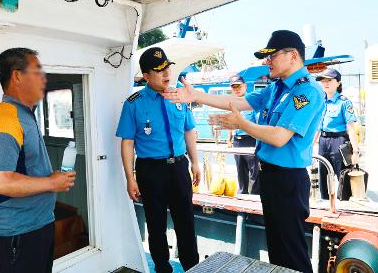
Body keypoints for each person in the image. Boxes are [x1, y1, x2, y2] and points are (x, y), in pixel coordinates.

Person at [162, 30, 324, 273]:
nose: (266, 61)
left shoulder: (306, 91)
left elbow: (280, 137)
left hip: (288, 181)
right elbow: (239, 102)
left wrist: (242, 125)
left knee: (292, 253)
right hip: (271, 177)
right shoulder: (277, 88)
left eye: (272, 56)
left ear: (292, 56)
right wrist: (196, 95)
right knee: (278, 250)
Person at [0, 48, 76, 273]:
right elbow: (1, 182)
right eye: (37, 72)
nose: (44, 79)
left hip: (38, 225)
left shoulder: (25, 114)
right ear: (17, 76)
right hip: (18, 234)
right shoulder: (5, 119)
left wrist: (51, 178)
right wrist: (52, 183)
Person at [116, 47, 201, 273]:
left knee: (186, 223)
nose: (166, 73)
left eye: (167, 67)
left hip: (179, 167)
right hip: (150, 171)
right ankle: (163, 268)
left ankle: (192, 267)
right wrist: (130, 178)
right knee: (156, 225)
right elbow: (127, 142)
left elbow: (189, 131)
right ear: (146, 76)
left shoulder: (179, 96)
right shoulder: (134, 103)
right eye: (159, 70)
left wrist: (196, 162)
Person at [314, 68, 359, 199]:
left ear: (338, 83)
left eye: (329, 80)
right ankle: (325, 204)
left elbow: (351, 128)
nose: (325, 83)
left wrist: (355, 152)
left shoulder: (344, 102)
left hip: (339, 141)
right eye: (323, 81)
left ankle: (345, 206)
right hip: (323, 141)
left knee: (343, 177)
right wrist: (311, 145)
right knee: (323, 176)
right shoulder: (321, 102)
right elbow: (318, 126)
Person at [226, 74, 259, 195]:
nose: (236, 89)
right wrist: (228, 140)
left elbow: (258, 123)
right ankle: (242, 199)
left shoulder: (251, 102)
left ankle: (255, 201)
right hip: (237, 141)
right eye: (233, 87)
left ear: (245, 86)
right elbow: (230, 123)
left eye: (238, 86)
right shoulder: (231, 103)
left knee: (254, 173)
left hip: (251, 140)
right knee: (241, 172)